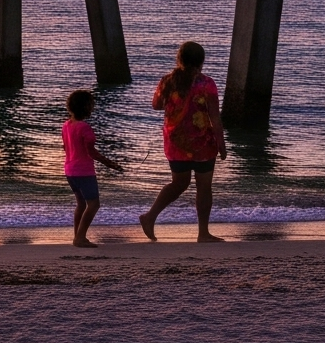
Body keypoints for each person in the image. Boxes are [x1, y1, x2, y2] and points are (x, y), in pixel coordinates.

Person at [139, 41, 225, 242]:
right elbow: (215, 117)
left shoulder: (168, 81)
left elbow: (156, 105)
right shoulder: (207, 83)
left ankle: (150, 216)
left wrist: (176, 104)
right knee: (204, 187)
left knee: (179, 183)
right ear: (201, 61)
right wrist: (221, 143)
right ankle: (203, 233)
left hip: (176, 142)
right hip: (203, 142)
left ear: (180, 59)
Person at [62, 89, 126, 247]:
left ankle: (77, 236)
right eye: (91, 104)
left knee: (81, 204)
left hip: (70, 170)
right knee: (94, 204)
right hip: (84, 171)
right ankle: (80, 237)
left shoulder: (66, 125)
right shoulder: (84, 128)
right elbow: (92, 152)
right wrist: (110, 164)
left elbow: (65, 147)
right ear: (86, 107)